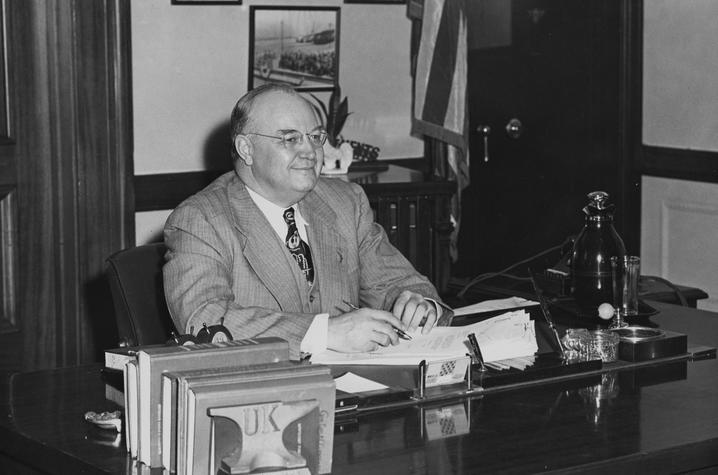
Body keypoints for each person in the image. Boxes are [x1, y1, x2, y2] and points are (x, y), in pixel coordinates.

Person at [163, 83, 451, 360]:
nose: (310, 152)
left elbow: (396, 283)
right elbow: (203, 322)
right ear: (246, 149)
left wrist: (418, 304)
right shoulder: (200, 219)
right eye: (290, 139)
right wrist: (324, 333)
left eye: (315, 138)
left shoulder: (345, 203)